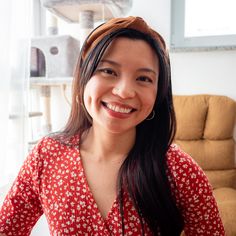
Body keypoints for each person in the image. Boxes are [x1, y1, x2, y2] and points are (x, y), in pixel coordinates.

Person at [0, 16, 225, 236]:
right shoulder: (46, 155)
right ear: (84, 78)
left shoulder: (181, 170)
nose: (124, 91)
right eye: (108, 71)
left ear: (158, 94)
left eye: (144, 78)